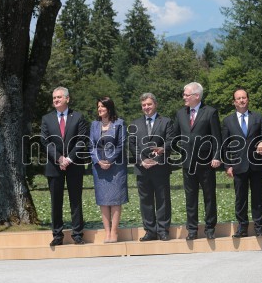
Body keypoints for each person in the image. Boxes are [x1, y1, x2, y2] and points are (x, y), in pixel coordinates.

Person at [172, 82, 222, 240]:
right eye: (184, 94)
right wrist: (182, 153)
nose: (184, 97)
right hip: (188, 164)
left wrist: (216, 156)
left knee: (209, 196)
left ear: (197, 96)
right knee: (190, 197)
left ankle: (210, 228)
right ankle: (192, 229)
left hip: (206, 163)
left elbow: (217, 138)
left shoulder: (210, 112)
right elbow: (174, 137)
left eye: (186, 95)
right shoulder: (180, 114)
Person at [41, 86, 88, 246]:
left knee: (76, 200)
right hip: (54, 166)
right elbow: (45, 141)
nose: (56, 100)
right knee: (56, 201)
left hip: (74, 165)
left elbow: (82, 140)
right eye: (54, 98)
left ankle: (77, 234)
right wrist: (59, 158)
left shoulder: (78, 117)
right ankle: (57, 235)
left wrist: (68, 159)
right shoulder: (47, 119)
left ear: (67, 99)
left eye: (59, 97)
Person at [221, 89, 262, 237]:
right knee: (240, 198)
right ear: (234, 102)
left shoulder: (258, 117)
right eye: (238, 98)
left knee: (258, 197)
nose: (241, 100)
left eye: (244, 98)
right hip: (237, 165)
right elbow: (224, 145)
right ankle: (242, 228)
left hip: (256, 164)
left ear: (248, 99)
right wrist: (227, 165)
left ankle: (259, 228)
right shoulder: (227, 121)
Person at [128, 93, 174, 241]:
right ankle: (150, 231)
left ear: (155, 104)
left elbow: (170, 142)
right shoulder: (134, 124)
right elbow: (132, 145)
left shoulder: (166, 122)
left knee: (163, 199)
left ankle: (163, 231)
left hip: (160, 167)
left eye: (149, 104)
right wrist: (142, 161)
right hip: (142, 168)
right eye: (144, 105)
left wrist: (157, 159)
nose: (146, 107)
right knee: (145, 201)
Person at [89, 97, 128, 243]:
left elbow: (121, 145)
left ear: (109, 108)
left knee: (116, 200)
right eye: (98, 106)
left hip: (116, 167)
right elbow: (91, 145)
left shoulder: (119, 123)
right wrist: (99, 161)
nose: (100, 109)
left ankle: (114, 232)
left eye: (103, 107)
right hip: (99, 167)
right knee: (103, 200)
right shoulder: (94, 125)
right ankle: (106, 232)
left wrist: (110, 160)